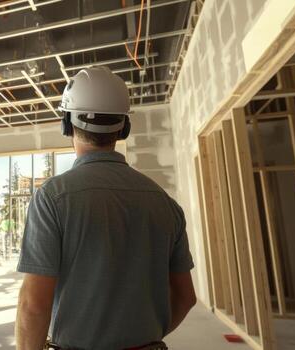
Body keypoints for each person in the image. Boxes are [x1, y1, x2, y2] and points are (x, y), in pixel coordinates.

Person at [15, 67, 196, 350]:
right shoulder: (165, 203)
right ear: (123, 127)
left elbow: (33, 305)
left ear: (67, 123)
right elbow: (186, 298)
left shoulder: (53, 197)